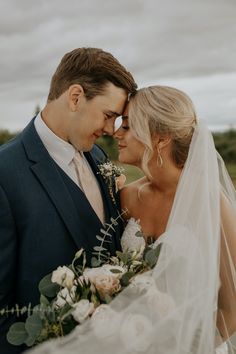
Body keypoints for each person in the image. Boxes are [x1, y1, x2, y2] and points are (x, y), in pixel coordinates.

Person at [27, 85, 236, 354]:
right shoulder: (125, 197)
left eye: (126, 126)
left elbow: (232, 307)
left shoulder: (211, 204)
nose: (115, 133)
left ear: (160, 139)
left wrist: (183, 346)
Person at [0, 47, 137, 354]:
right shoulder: (4, 175)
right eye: (108, 115)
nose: (108, 130)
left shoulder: (98, 157)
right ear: (75, 97)